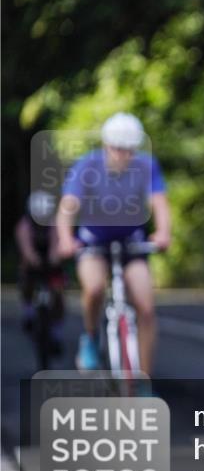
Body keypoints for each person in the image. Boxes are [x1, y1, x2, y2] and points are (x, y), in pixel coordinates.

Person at [55, 112, 171, 376]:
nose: (124, 155)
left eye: (130, 150)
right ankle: (91, 336)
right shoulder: (88, 165)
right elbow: (68, 207)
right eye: (118, 149)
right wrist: (65, 239)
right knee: (94, 288)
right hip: (94, 240)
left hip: (132, 241)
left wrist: (163, 232)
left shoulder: (146, 165)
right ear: (107, 145)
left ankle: (144, 381)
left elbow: (159, 202)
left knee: (146, 307)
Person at [16, 190, 65, 347]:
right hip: (33, 263)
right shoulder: (23, 226)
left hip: (51, 264)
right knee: (26, 278)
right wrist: (32, 258)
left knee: (58, 293)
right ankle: (29, 311)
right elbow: (26, 247)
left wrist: (54, 257)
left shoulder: (54, 224)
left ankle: (56, 333)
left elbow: (56, 243)